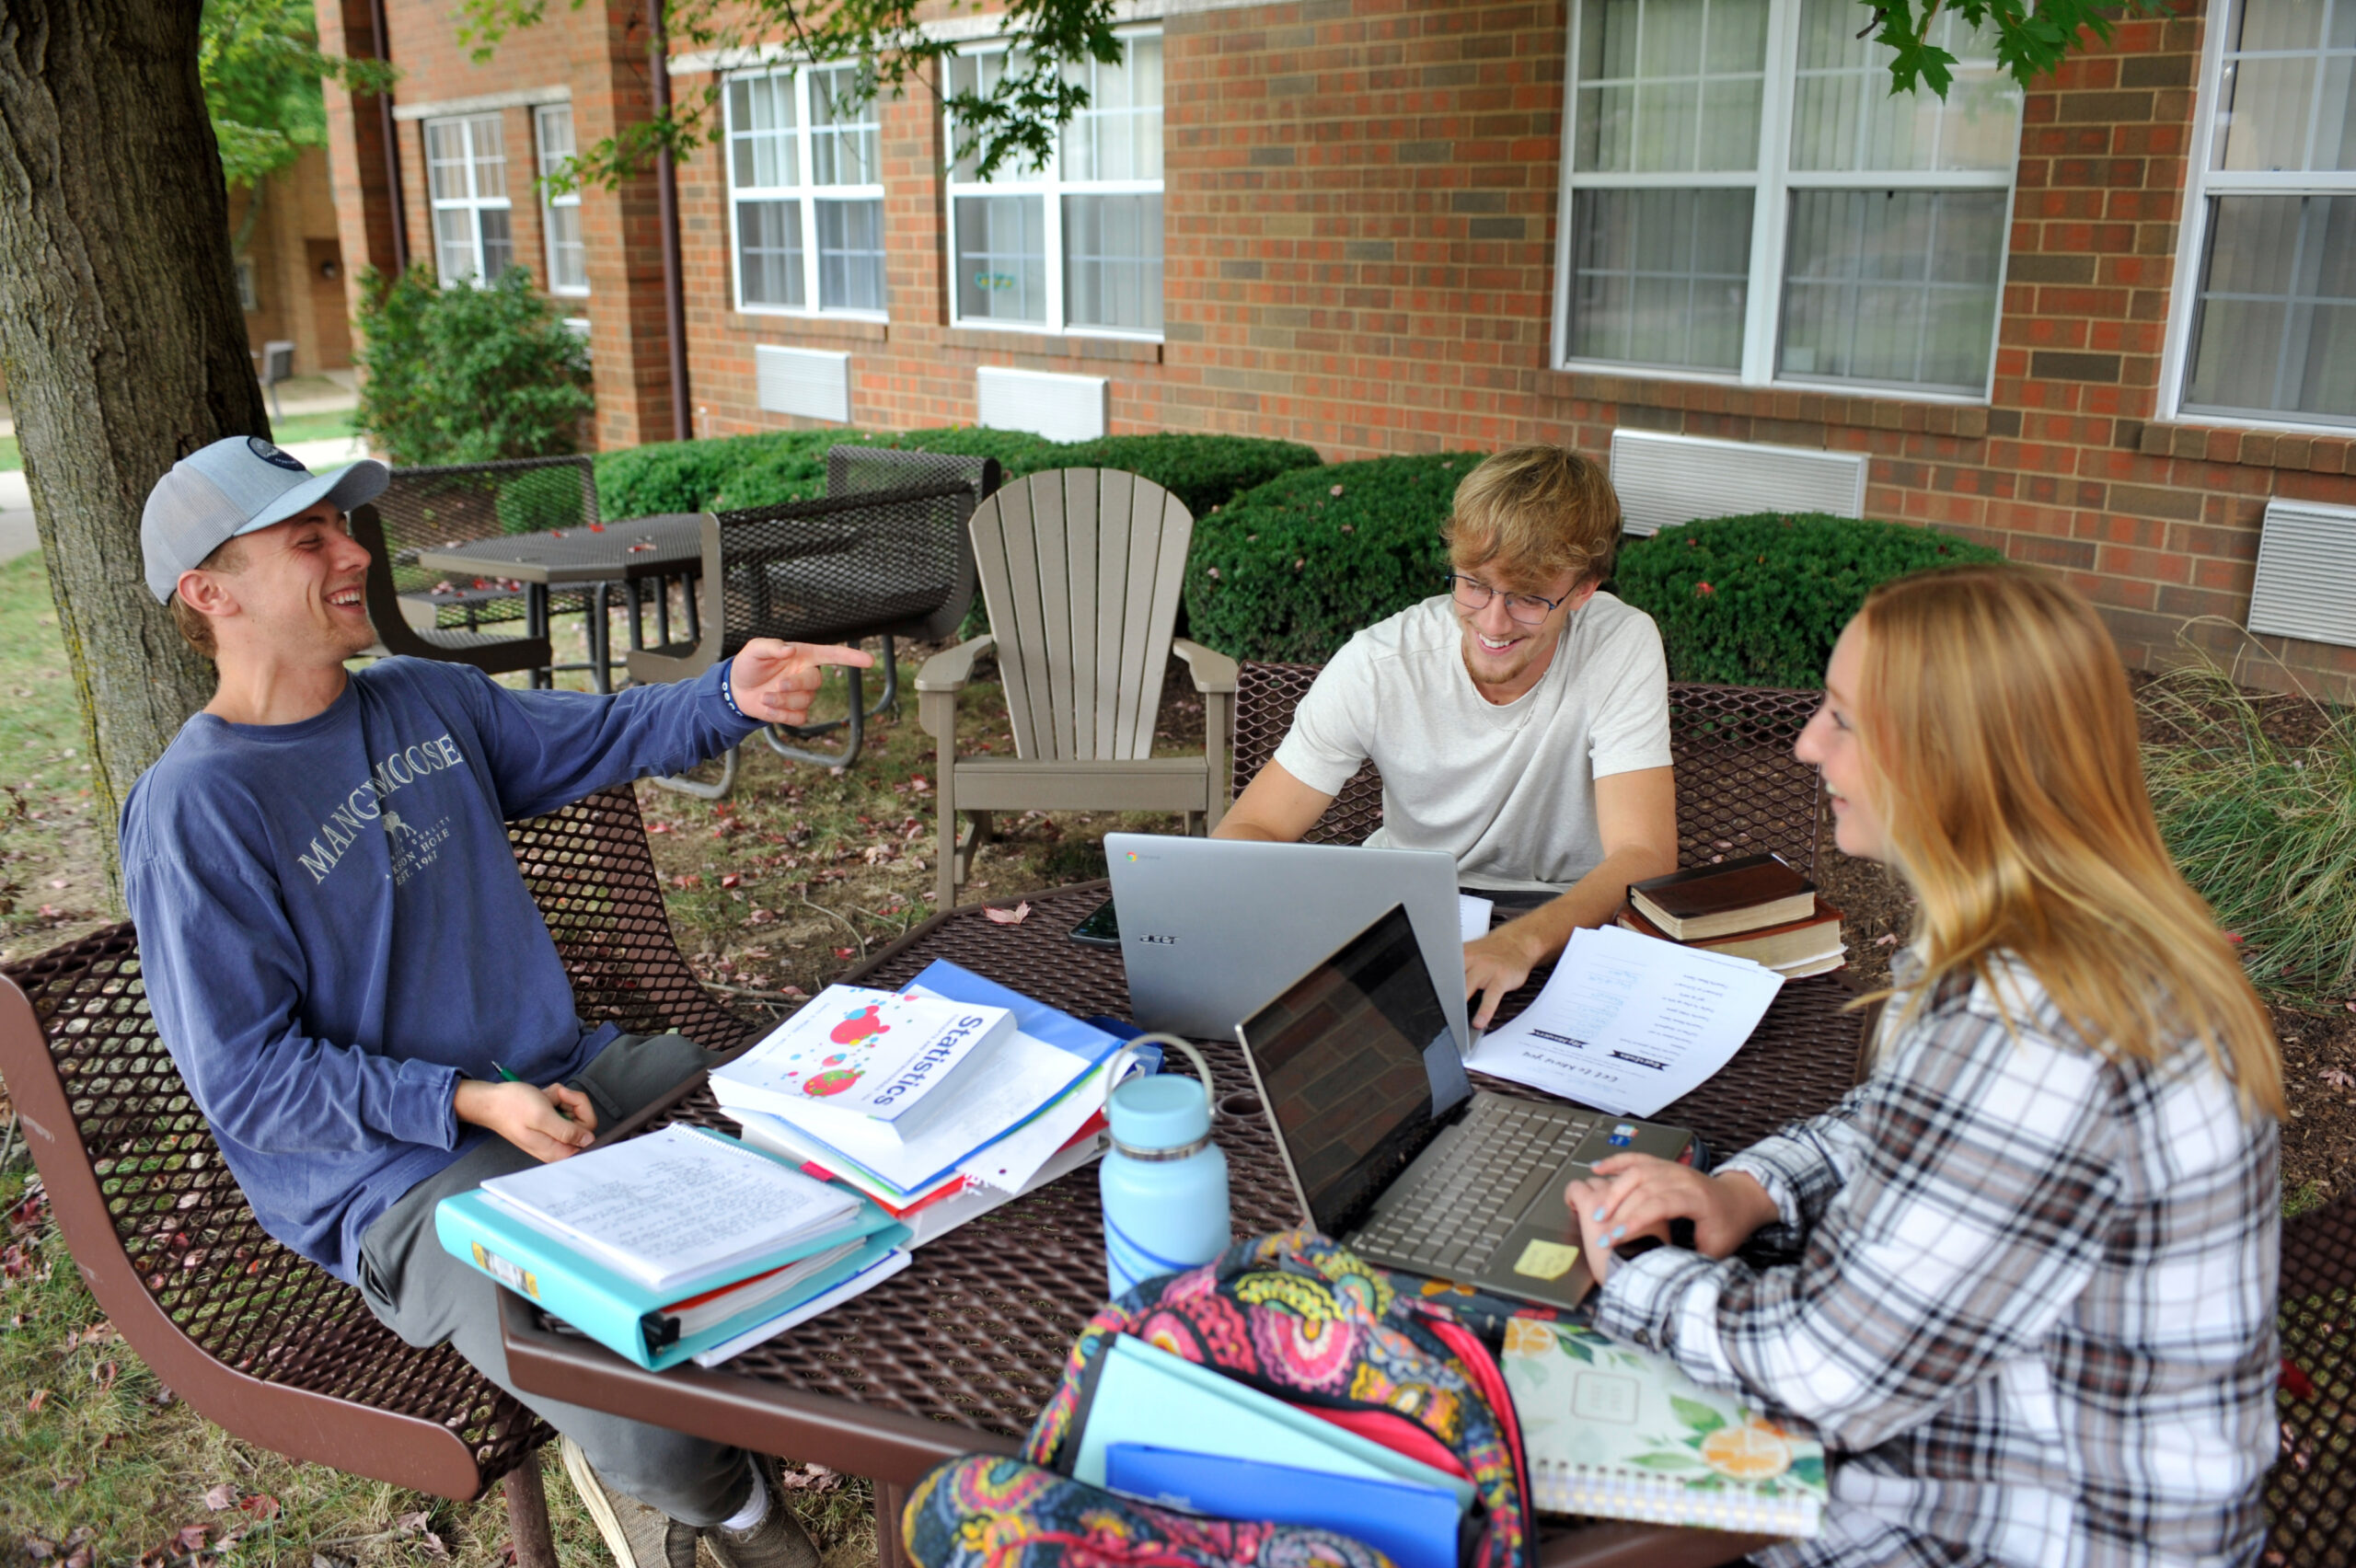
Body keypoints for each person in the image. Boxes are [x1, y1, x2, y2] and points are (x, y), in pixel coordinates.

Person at [121, 436, 875, 1568]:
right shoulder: (197, 809)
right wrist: (472, 1101)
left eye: (345, 527)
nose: (352, 554)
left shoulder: (427, 699)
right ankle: (738, 1518)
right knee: (651, 1423)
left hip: (571, 1076)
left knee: (847, 1138)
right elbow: (248, 1081)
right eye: (308, 537)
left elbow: (612, 731)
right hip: (409, 1182)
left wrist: (733, 694)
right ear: (210, 592)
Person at [1568, 566, 2281, 1568]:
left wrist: (1629, 1274)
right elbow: (1897, 1121)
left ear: (1957, 761)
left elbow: (1822, 1376)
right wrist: (1744, 1189)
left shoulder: (2041, 1020)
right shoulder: (2054, 936)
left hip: (2013, 1529)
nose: (1806, 744)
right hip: (1993, 1458)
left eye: (1843, 720)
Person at [1213, 444, 1678, 1026]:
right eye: (1475, 584)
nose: (1493, 621)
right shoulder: (1381, 663)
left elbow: (1644, 855)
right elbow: (1253, 828)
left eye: (1530, 598)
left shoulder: (1621, 643)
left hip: (1563, 926)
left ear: (1585, 590)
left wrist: (1520, 943)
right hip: (1408, 917)